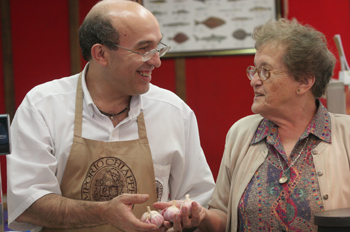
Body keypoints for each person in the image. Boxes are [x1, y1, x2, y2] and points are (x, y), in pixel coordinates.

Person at [6, 1, 215, 231]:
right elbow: (27, 203)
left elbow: (197, 196)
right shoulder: (43, 107)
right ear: (101, 54)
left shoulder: (173, 111)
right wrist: (103, 212)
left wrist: (190, 214)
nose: (156, 61)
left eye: (158, 47)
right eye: (144, 49)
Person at [155, 18, 350, 231]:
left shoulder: (345, 135)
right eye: (254, 70)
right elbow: (223, 215)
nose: (254, 80)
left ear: (304, 82)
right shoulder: (241, 133)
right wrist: (202, 216)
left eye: (265, 71)